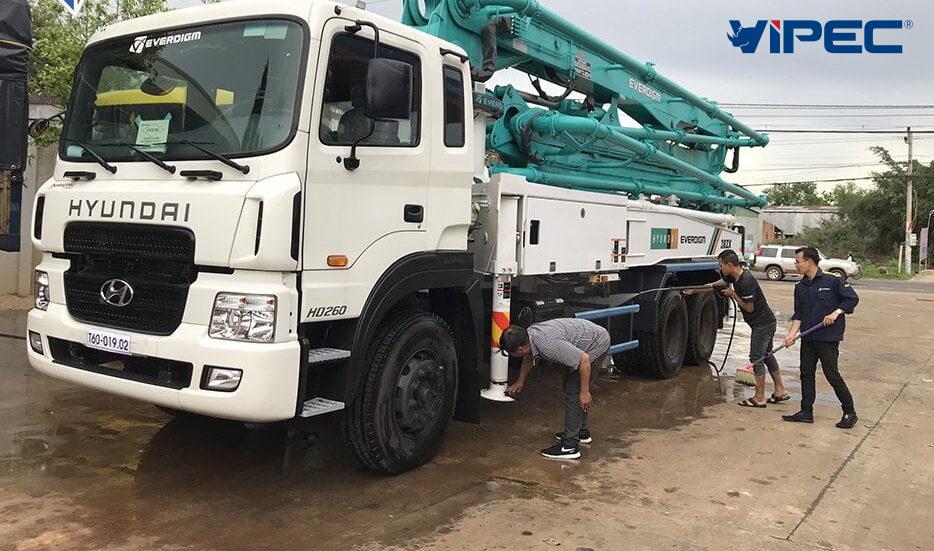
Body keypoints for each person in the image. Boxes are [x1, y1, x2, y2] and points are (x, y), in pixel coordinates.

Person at [500, 318, 610, 460]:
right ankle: (580, 432)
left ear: (520, 349)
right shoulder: (530, 336)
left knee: (574, 390)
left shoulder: (547, 344)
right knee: (570, 385)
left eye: (511, 353)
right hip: (589, 337)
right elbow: (529, 357)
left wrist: (585, 392)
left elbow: (584, 360)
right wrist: (520, 382)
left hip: (596, 343)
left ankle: (570, 446)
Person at [781, 246, 860, 428]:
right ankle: (806, 411)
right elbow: (799, 315)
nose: (796, 265)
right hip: (808, 338)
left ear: (809, 261)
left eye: (798, 261)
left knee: (832, 374)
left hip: (827, 338)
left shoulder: (833, 280)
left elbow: (851, 299)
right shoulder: (800, 287)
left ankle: (850, 412)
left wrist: (836, 313)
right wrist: (791, 335)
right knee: (806, 374)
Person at [700, 250, 790, 407]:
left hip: (763, 325)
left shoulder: (745, 281)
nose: (720, 268)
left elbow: (749, 308)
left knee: (756, 357)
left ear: (729, 265)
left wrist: (733, 295)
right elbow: (716, 285)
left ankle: (759, 397)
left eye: (721, 265)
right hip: (766, 322)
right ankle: (780, 390)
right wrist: (695, 289)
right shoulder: (733, 276)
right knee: (767, 356)